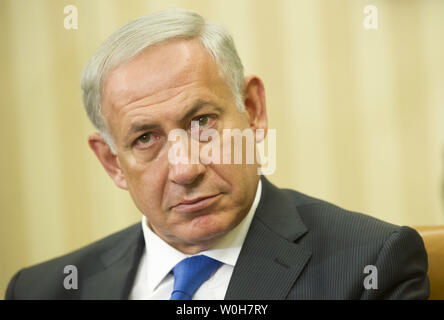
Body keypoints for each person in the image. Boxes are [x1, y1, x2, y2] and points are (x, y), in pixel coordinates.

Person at [5, 8, 429, 300]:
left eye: (202, 122)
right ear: (112, 162)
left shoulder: (368, 266)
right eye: (146, 139)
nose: (186, 168)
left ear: (254, 110)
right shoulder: (44, 289)